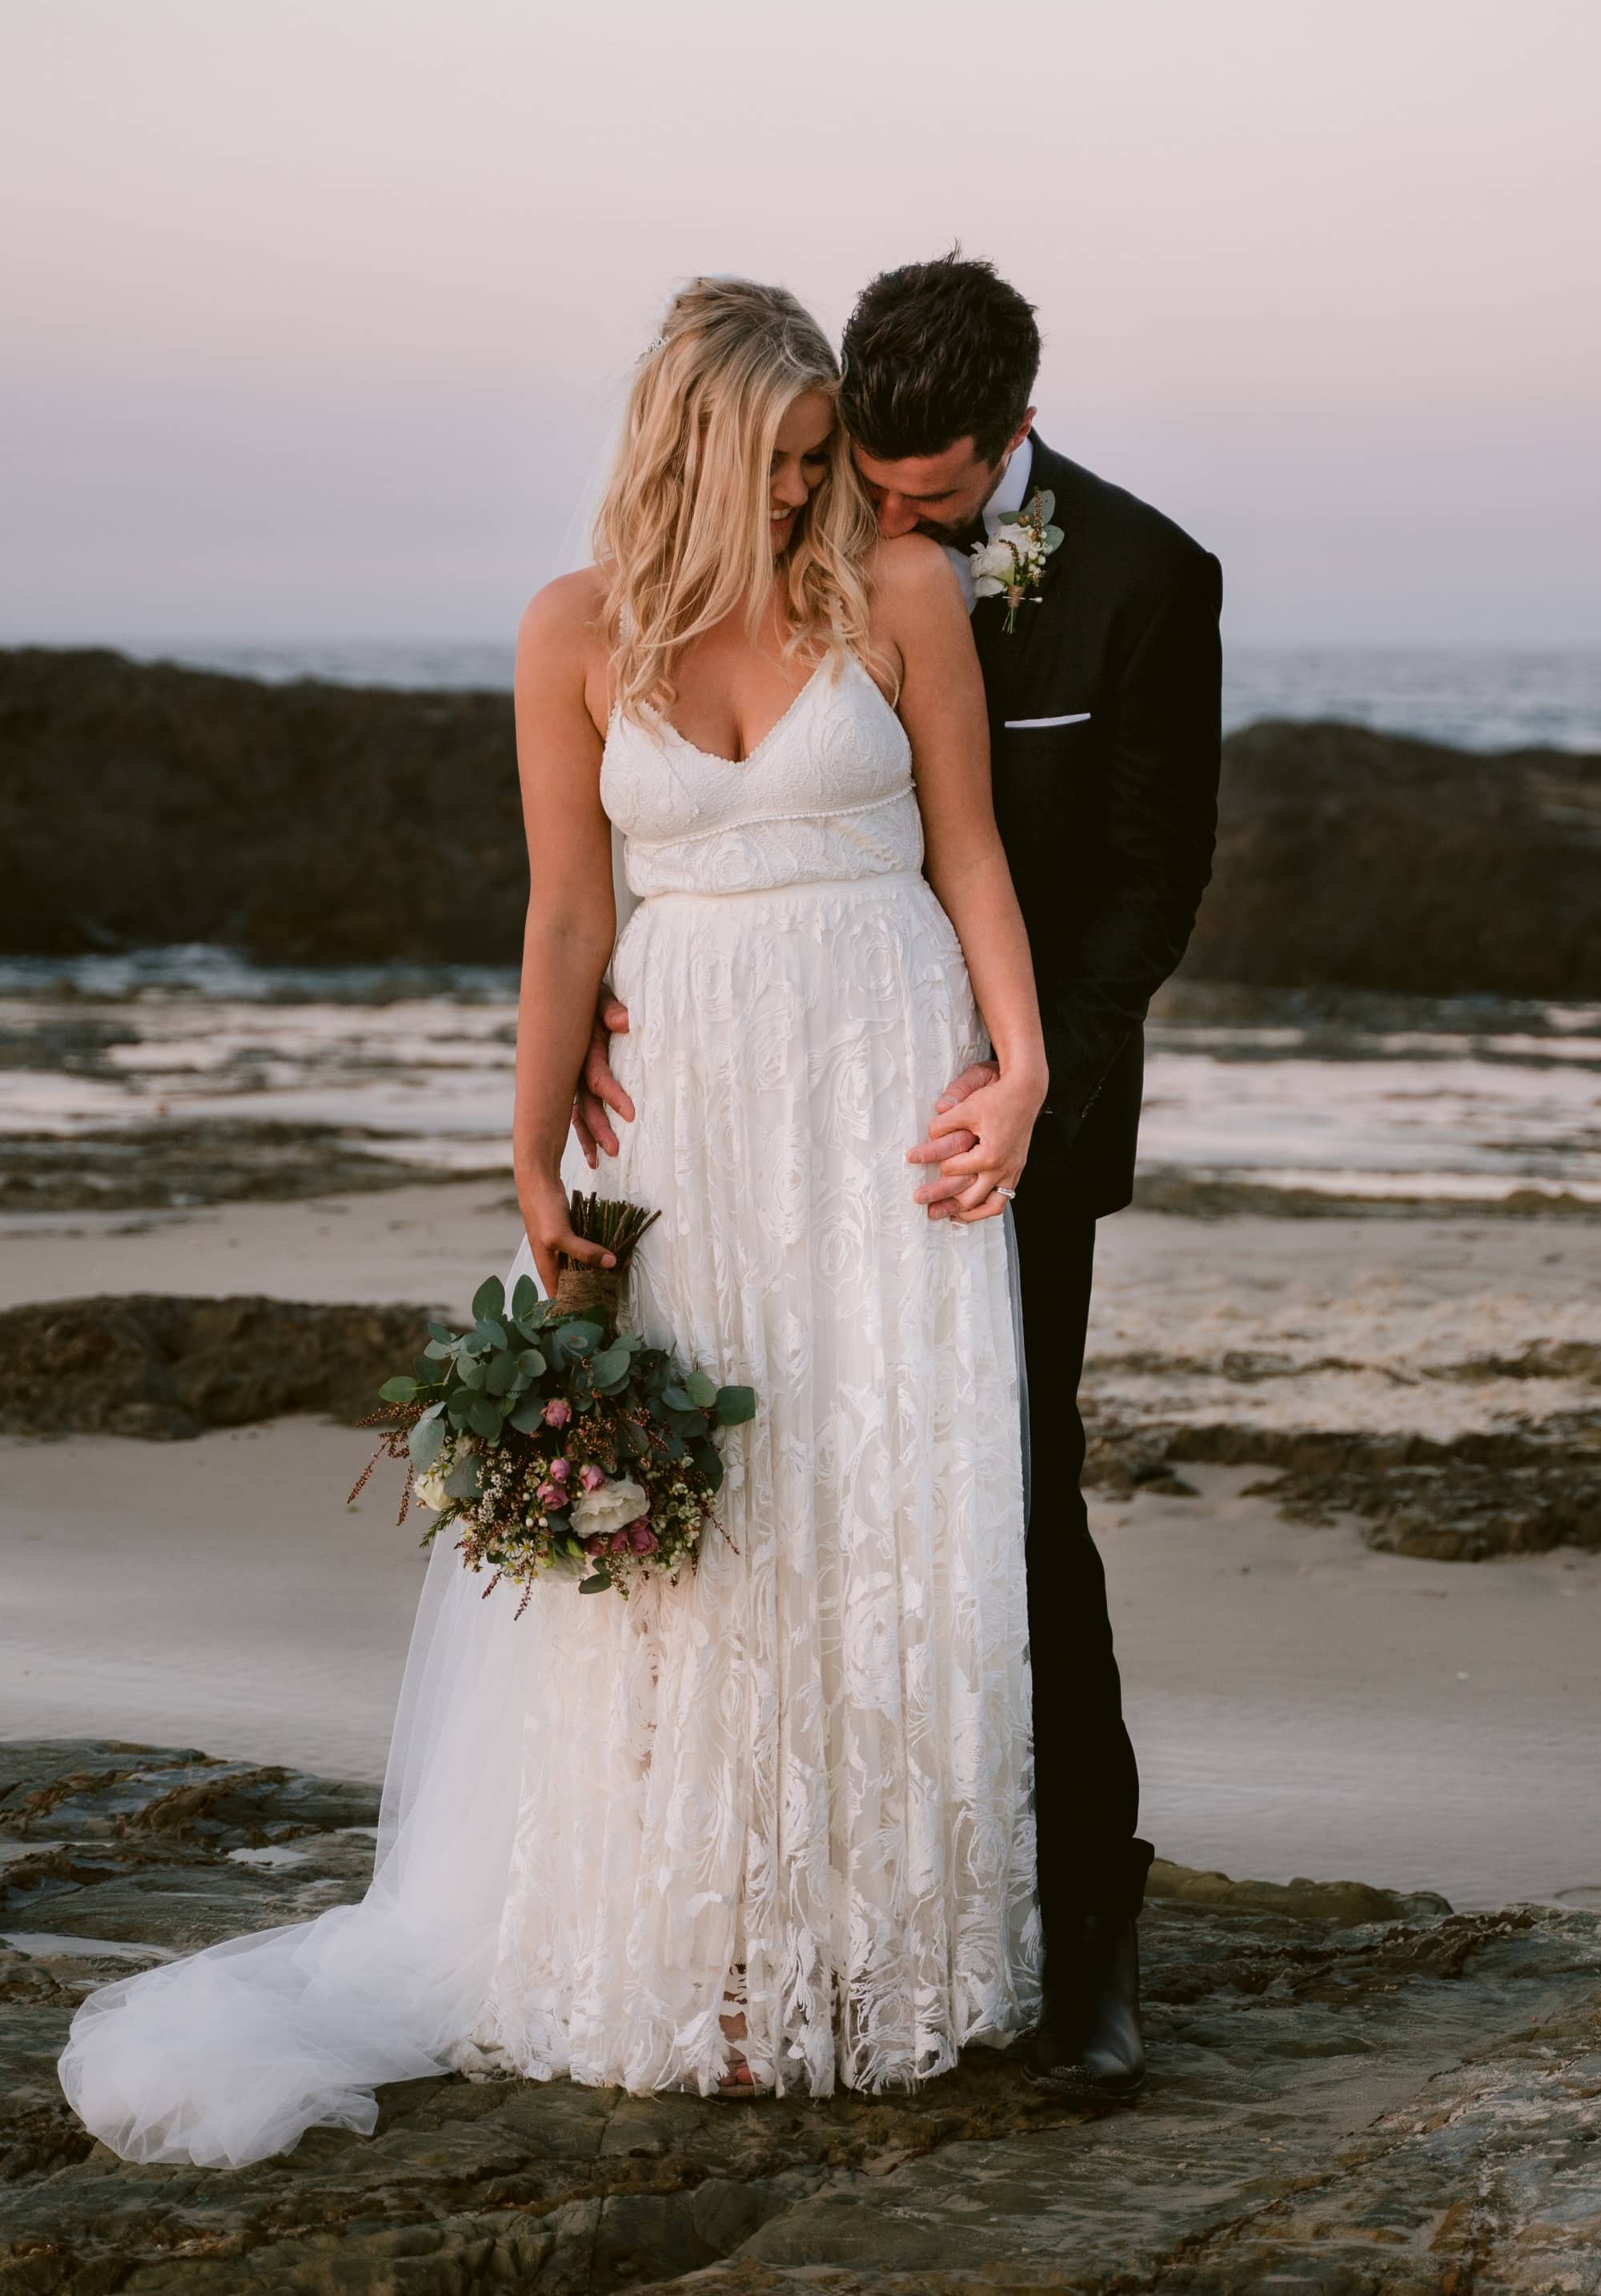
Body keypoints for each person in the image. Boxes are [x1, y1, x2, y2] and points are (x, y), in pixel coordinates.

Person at [58, 276, 1046, 2163]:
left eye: (818, 460)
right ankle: (706, 1962)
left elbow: (973, 847)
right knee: (699, 1544)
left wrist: (1020, 1069)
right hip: (682, 1113)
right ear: (682, 445)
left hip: (874, 1092)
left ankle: (872, 1957)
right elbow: (567, 917)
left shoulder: (904, 596)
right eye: (770, 461)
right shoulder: (573, 629)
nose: (798, 498)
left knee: (873, 1507)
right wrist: (531, 1155)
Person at [583, 256, 1224, 2098]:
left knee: (1012, 1506)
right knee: (791, 1491)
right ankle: (776, 1909)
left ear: (1006, 438)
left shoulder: (1143, 579)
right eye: (857, 469)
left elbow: (1143, 879)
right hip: (786, 1091)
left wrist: (1023, 1088)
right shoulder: (817, 509)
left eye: (920, 493)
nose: (873, 513)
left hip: (1005, 1107)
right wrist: (638, 1001)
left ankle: (1082, 1926)